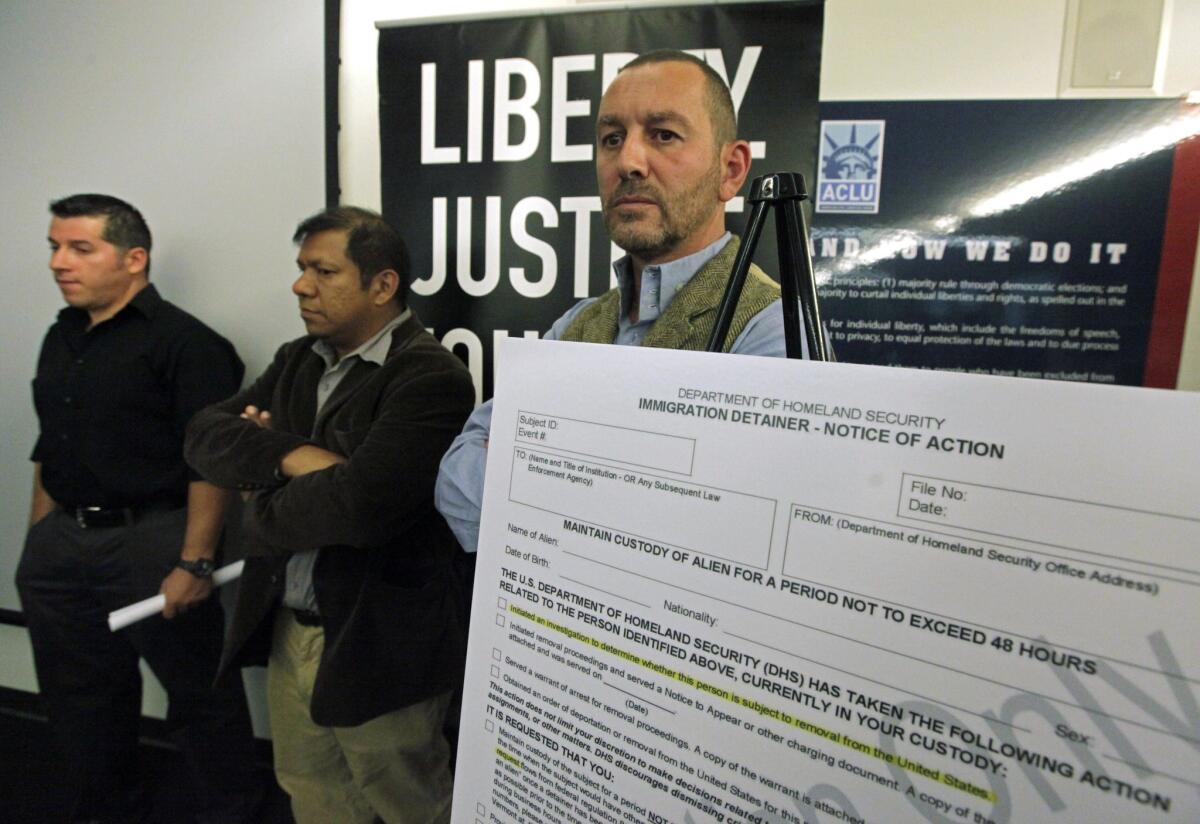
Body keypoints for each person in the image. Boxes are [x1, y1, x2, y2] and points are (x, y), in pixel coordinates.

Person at [436, 49, 809, 553]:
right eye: (612, 139)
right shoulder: (575, 325)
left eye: (663, 134)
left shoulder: (773, 329)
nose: (628, 162)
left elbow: (721, 542)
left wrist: (539, 471)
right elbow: (458, 484)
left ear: (732, 168)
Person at [184, 206, 474, 824]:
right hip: (291, 630)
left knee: (407, 800)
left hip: (381, 644)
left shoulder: (429, 377)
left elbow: (361, 509)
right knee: (311, 794)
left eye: (323, 270)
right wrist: (293, 455)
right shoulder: (297, 359)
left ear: (383, 284)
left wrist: (254, 496)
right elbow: (203, 436)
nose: (300, 286)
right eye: (301, 269)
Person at [16, 193, 263, 823]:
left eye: (79, 248)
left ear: (133, 259)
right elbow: (54, 441)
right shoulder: (63, 335)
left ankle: (229, 814)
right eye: (54, 247)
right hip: (64, 540)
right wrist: (38, 538)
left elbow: (212, 462)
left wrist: (197, 563)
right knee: (79, 700)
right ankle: (106, 809)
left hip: (153, 539)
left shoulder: (188, 344)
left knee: (200, 699)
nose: (58, 263)